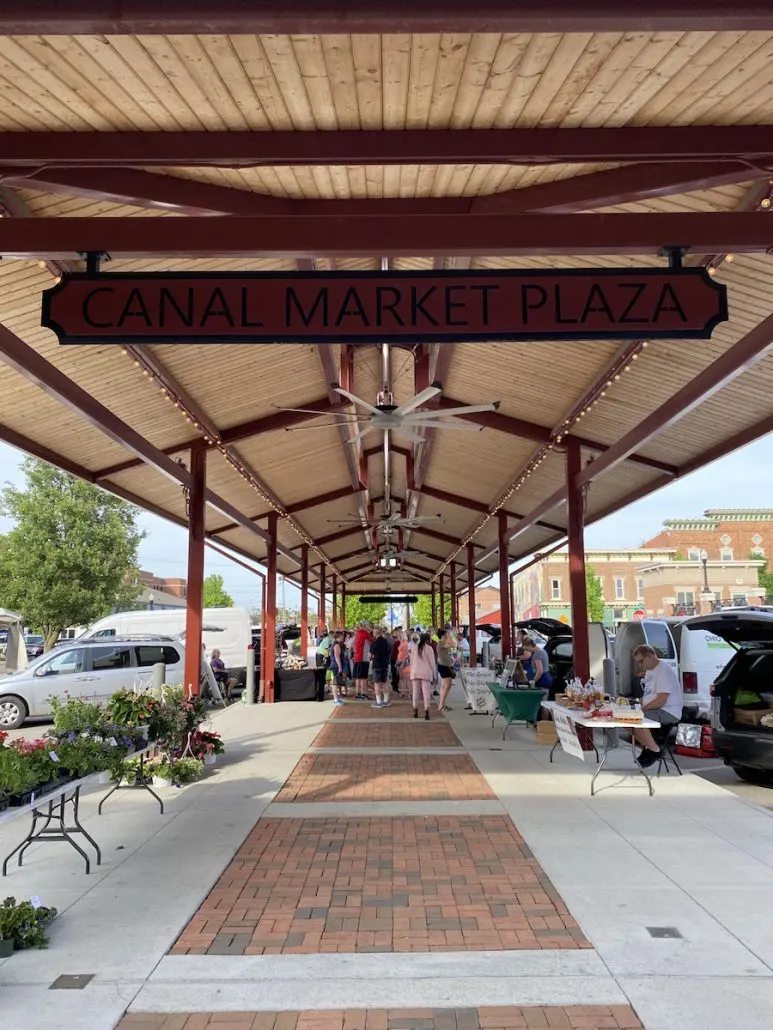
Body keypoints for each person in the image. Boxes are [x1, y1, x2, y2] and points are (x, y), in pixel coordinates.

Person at [631, 644, 684, 768]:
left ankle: (654, 751)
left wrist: (642, 709)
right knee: (626, 719)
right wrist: (636, 702)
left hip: (668, 711)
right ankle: (650, 746)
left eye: (641, 661)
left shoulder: (663, 671)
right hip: (656, 708)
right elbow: (649, 694)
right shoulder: (650, 671)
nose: (640, 665)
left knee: (636, 718)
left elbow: (661, 700)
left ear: (650, 656)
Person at [410, 631, 438, 720]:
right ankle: (427, 711)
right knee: (426, 692)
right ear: (427, 640)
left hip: (415, 672)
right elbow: (432, 663)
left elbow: (411, 661)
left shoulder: (415, 647)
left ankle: (415, 711)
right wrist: (434, 675)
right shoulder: (429, 648)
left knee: (415, 692)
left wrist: (411, 671)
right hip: (426, 672)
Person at [370, 627, 392, 708]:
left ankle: (379, 702)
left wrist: (372, 656)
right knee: (384, 682)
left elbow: (370, 654)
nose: (373, 634)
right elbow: (389, 652)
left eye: (373, 632)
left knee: (377, 684)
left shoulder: (374, 643)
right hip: (385, 664)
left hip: (376, 665)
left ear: (377, 633)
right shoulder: (386, 642)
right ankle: (386, 701)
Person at [352, 620, 374, 701]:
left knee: (358, 677)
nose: (368, 627)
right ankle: (363, 694)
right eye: (367, 625)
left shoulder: (357, 633)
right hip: (363, 658)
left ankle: (358, 694)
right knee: (364, 678)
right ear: (364, 625)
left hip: (357, 657)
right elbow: (373, 641)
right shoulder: (365, 633)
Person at [436, 627, 455, 712]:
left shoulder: (442, 643)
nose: (447, 635)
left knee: (444, 686)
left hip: (444, 665)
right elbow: (454, 644)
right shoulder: (441, 643)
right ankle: (441, 705)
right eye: (446, 634)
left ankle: (442, 704)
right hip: (444, 666)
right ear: (443, 635)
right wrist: (452, 635)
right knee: (448, 685)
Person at [329, 631, 346, 706]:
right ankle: (336, 699)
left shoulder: (336, 644)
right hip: (335, 666)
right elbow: (337, 657)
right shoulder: (336, 645)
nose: (343, 637)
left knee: (336, 682)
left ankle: (336, 698)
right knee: (335, 683)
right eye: (342, 636)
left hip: (335, 665)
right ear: (339, 636)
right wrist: (340, 666)